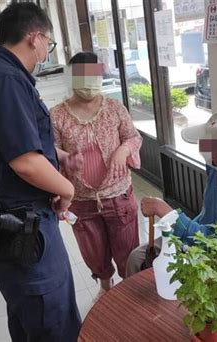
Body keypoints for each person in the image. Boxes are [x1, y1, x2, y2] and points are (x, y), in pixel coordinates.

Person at [0, 3, 81, 341]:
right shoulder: (5, 79)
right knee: (53, 320)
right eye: (48, 41)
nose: (48, 49)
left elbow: (15, 142)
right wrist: (67, 189)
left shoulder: (2, 73)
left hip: (13, 219)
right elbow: (24, 162)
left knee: (28, 318)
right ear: (34, 38)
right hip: (19, 224)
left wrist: (56, 155)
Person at [126, 110, 217, 276]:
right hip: (199, 238)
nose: (201, 147)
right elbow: (206, 218)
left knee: (154, 276)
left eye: (208, 145)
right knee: (137, 258)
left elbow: (212, 243)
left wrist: (167, 213)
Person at [50, 52, 142, 297]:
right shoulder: (57, 115)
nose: (89, 82)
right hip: (80, 201)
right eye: (83, 76)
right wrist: (65, 159)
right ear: (72, 78)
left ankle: (126, 293)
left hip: (118, 195)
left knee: (127, 252)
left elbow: (133, 137)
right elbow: (51, 149)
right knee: (94, 253)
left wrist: (123, 150)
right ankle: (105, 287)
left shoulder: (114, 108)